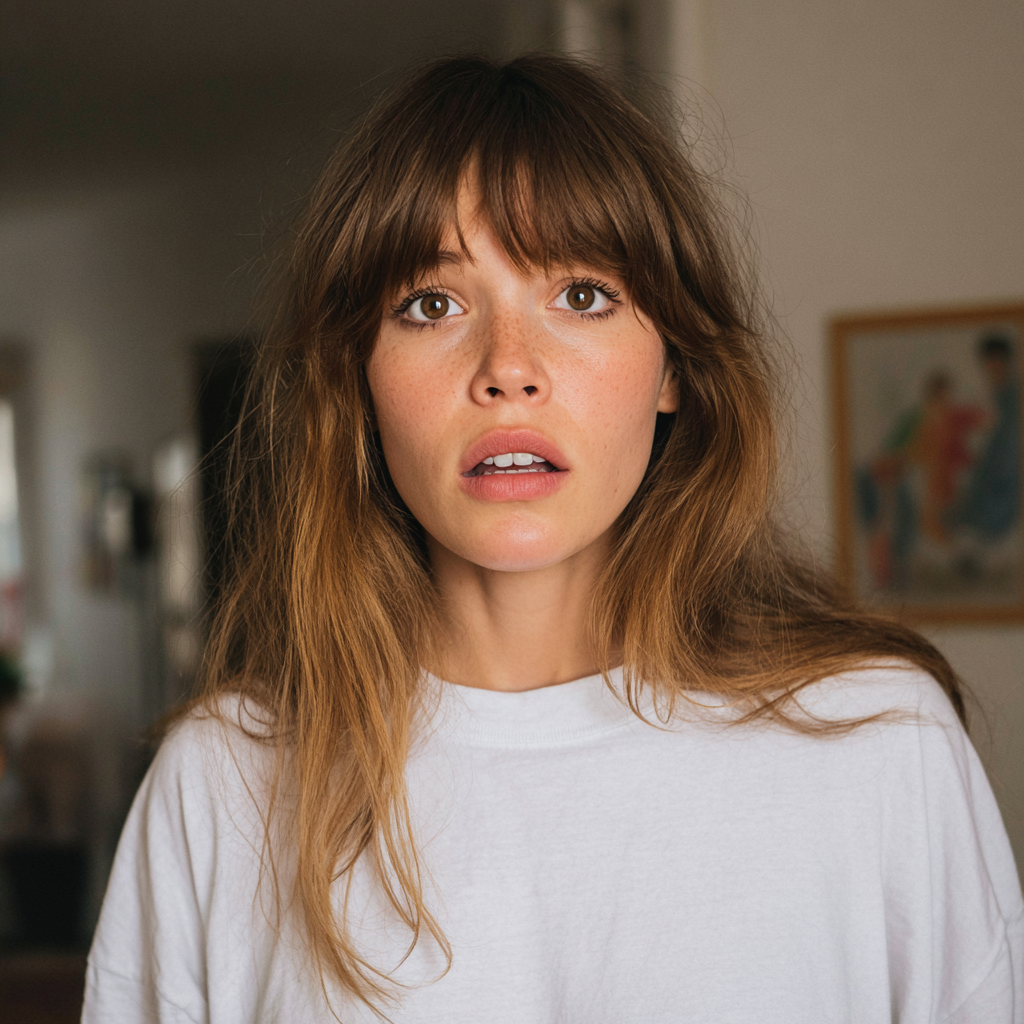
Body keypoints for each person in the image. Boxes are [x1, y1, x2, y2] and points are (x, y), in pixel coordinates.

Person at [81, 55, 1023, 1023]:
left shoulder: (881, 747)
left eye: (580, 296)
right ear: (358, 380)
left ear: (674, 368)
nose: (508, 368)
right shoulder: (222, 785)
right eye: (432, 304)